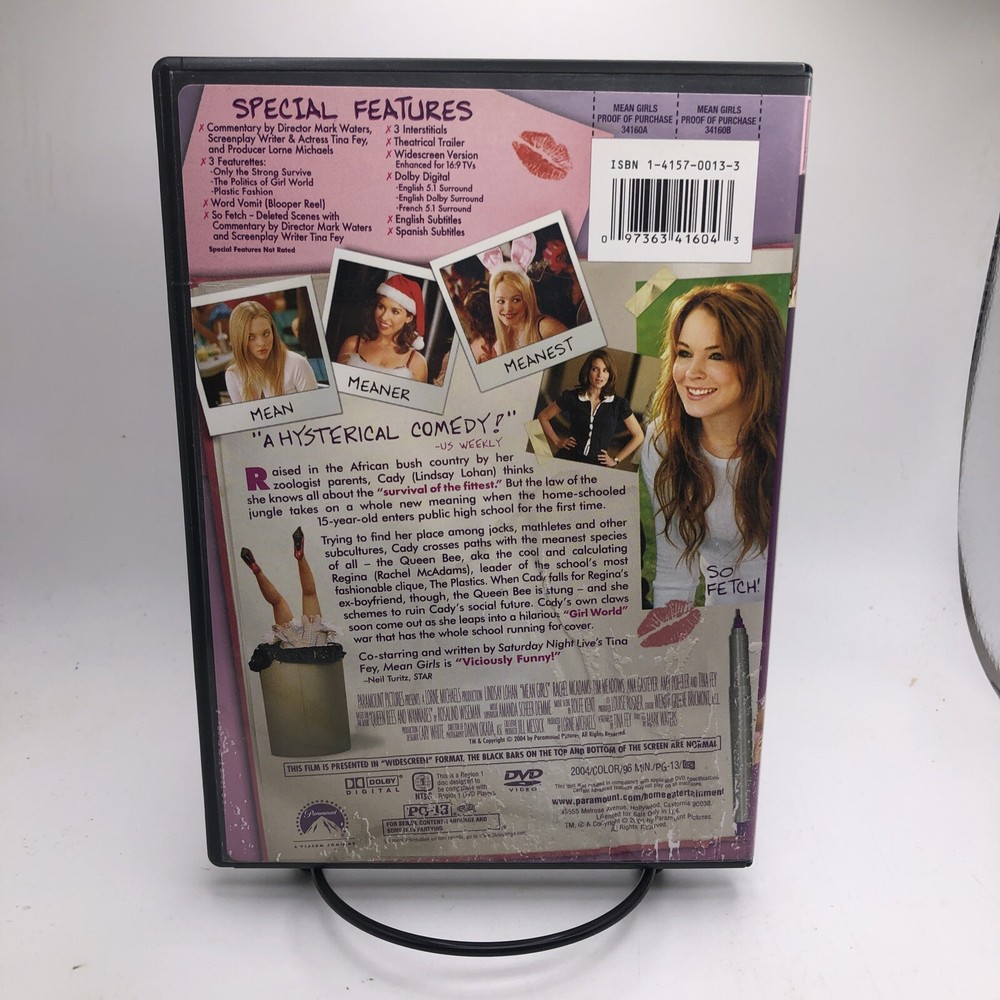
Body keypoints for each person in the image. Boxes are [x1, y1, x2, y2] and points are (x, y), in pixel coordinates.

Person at [641, 282, 785, 608]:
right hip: (725, 625)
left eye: (716, 356)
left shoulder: (791, 440)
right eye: (684, 353)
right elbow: (675, 571)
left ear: (757, 364)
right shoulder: (663, 442)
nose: (692, 372)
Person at [537, 350, 644, 467]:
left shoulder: (619, 404)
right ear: (588, 371)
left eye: (605, 370)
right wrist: (557, 441)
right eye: (595, 369)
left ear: (610, 374)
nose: (600, 375)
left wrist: (616, 459)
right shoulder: (572, 397)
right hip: (568, 459)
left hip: (597, 467)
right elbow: (543, 416)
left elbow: (639, 436)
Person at [240, 527, 340, 650]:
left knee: (279, 602)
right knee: (305, 596)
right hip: (313, 644)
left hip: (291, 643)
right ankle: (300, 557)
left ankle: (257, 571)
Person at [337, 273, 428, 382]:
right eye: (381, 307)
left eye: (395, 311)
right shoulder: (352, 344)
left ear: (409, 318)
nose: (384, 317)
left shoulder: (416, 362)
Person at [225, 300, 318, 403]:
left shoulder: (297, 364)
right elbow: (243, 413)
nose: (261, 343)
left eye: (266, 334)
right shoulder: (233, 374)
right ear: (239, 340)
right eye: (251, 337)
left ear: (273, 331)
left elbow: (315, 407)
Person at [489, 264, 567, 355]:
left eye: (516, 300)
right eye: (501, 301)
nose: (508, 308)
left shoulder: (545, 327)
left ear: (527, 300)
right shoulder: (499, 346)